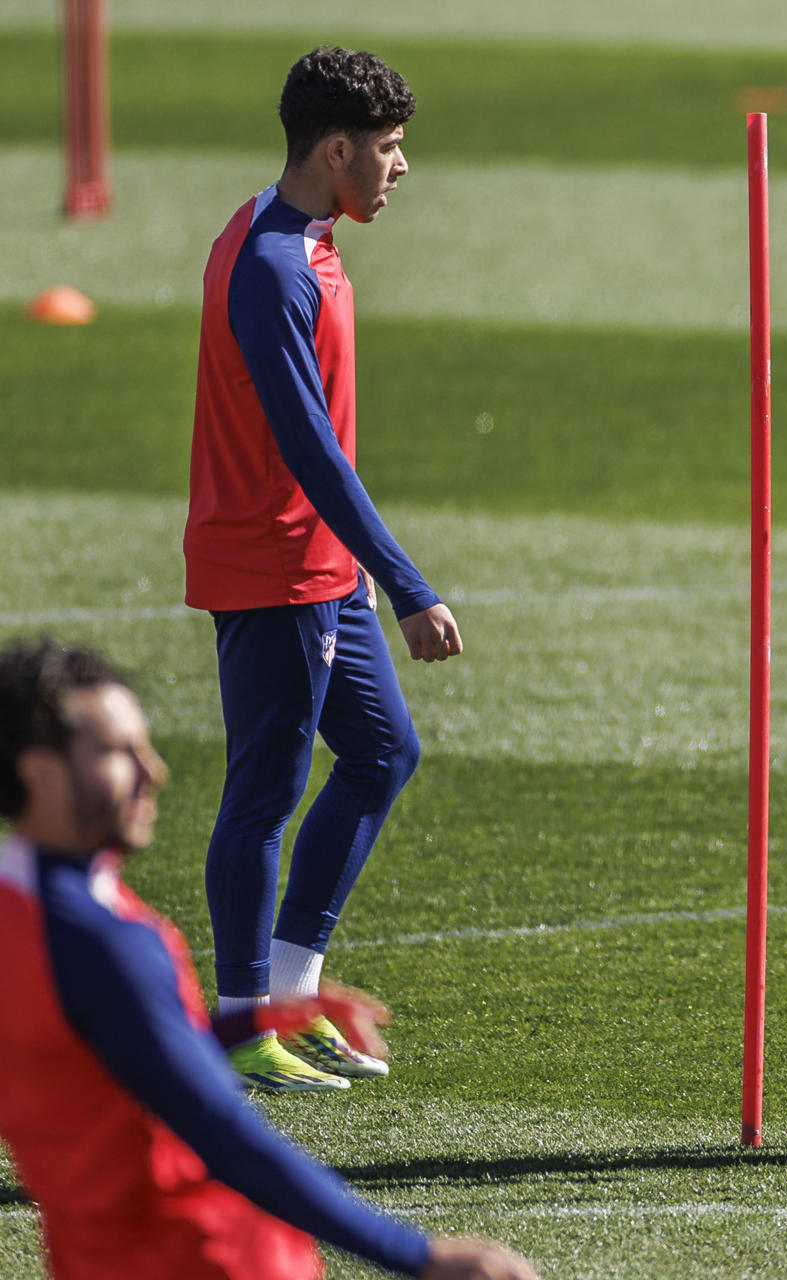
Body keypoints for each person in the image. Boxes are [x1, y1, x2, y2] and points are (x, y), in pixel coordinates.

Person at [0, 638, 538, 1279]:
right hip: (208, 1256)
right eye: (118, 752)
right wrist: (416, 1255)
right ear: (39, 773)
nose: (154, 771)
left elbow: (108, 1052)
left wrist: (253, 1022)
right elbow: (223, 1133)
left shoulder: (20, 908)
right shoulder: (106, 942)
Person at [183, 46, 462, 1092]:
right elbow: (308, 449)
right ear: (335, 147)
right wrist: (411, 586)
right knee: (264, 790)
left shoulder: (304, 234)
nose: (400, 169)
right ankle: (242, 1019)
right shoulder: (270, 267)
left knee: (383, 752)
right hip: (275, 565)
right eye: (388, 150)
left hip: (319, 559)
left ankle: (292, 995)